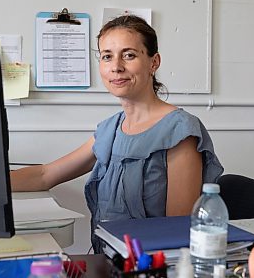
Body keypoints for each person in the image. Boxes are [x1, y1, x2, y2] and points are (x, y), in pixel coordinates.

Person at [11, 15, 223, 251]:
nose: (116, 67)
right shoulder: (109, 129)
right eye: (107, 56)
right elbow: (44, 175)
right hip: (107, 259)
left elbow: (177, 231)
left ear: (154, 63)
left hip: (149, 265)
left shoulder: (180, 130)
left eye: (129, 55)